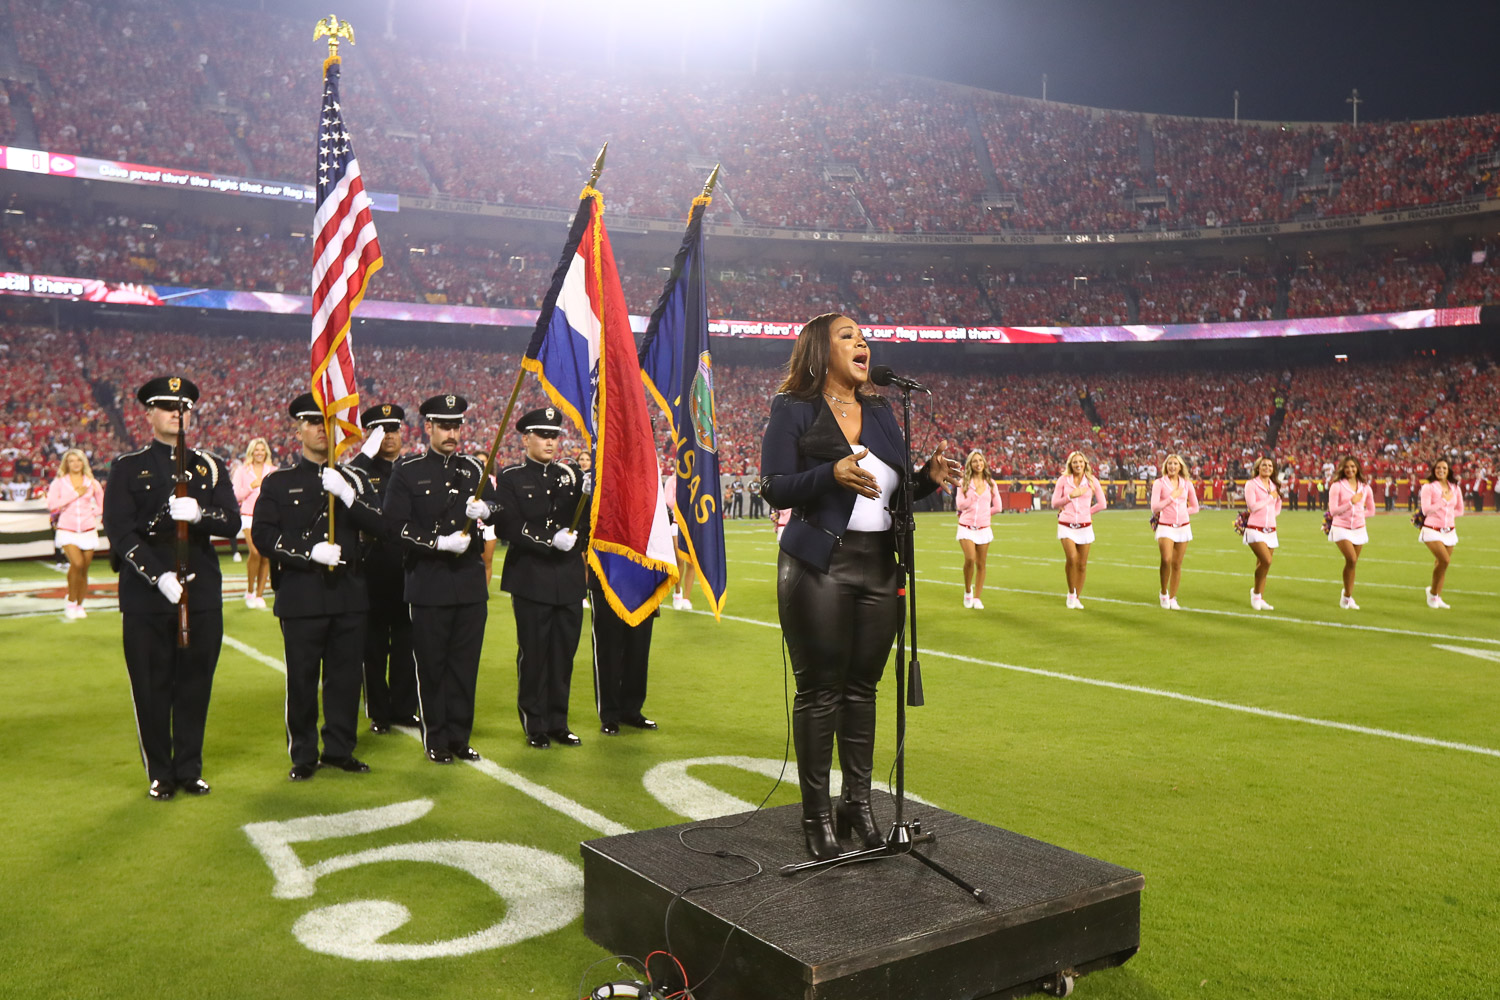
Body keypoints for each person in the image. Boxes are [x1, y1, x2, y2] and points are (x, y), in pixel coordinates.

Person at [759, 313, 958, 861]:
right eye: (847, 336)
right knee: (820, 692)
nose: (861, 342)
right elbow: (774, 486)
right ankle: (816, 817)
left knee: (862, 690)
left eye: (864, 337)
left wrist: (926, 481)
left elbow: (892, 490)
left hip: (879, 566)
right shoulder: (793, 408)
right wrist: (829, 474)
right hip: (819, 564)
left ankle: (857, 805)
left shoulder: (883, 411)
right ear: (820, 350)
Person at [102, 376, 238, 801]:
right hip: (146, 597)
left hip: (200, 594)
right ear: (150, 414)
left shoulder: (210, 465)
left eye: (183, 408)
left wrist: (200, 515)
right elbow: (119, 531)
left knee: (196, 686)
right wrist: (157, 575)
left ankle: (189, 768)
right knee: (151, 688)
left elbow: (232, 522)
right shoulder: (127, 467)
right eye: (167, 407)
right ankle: (160, 772)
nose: (177, 414)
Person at [252, 394, 386, 780]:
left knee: (346, 679)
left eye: (327, 422)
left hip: (349, 593)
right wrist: (308, 552)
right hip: (302, 595)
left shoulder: (354, 480)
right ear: (298, 430)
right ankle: (304, 754)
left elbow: (382, 526)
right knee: (302, 679)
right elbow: (263, 535)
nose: (321, 429)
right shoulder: (279, 482)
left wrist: (348, 496)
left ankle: (340, 749)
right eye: (312, 422)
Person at [382, 394, 498, 764]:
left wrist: (488, 509)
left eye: (456, 426)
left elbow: (501, 509)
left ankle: (460, 738)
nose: (452, 433)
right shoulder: (408, 470)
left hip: (469, 583)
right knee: (431, 667)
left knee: (465, 666)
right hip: (428, 583)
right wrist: (438, 542)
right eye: (444, 426)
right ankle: (436, 739)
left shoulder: (473, 469)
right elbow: (393, 526)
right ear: (428, 427)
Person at [493, 406, 591, 749]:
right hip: (531, 577)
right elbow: (507, 525)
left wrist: (588, 498)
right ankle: (534, 723)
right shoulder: (511, 477)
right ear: (526, 439)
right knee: (534, 654)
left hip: (568, 578)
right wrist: (550, 540)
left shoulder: (570, 475)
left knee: (563, 655)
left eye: (554, 436)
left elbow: (584, 523)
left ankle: (558, 722)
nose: (550, 442)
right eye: (543, 436)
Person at [349, 403, 420, 734]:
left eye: (393, 429)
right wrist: (365, 454)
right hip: (372, 569)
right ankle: (378, 711)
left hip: (408, 567)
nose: (388, 436)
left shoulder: (413, 469)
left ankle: (404, 708)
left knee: (407, 644)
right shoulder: (361, 470)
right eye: (380, 430)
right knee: (373, 646)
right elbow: (343, 486)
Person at [46, 448, 105, 620]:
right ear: (67, 464)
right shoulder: (59, 483)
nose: (75, 464)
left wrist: (93, 513)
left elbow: (102, 504)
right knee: (77, 564)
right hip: (67, 530)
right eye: (71, 461)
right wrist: (74, 494)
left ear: (83, 462)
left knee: (84, 569)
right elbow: (52, 505)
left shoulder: (92, 483)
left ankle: (80, 604)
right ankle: (71, 602)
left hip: (88, 530)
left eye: (78, 460)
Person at [1051, 451, 1106, 610]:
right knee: (1072, 558)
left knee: (1082, 565)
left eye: (1080, 462)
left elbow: (1102, 504)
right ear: (1070, 464)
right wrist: (1070, 496)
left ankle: (1076, 597)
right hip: (1066, 524)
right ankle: (1070, 592)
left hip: (1085, 526)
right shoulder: (1063, 480)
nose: (1078, 464)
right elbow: (1054, 503)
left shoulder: (1092, 480)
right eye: (1075, 462)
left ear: (1085, 463)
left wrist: (1087, 512)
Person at [955, 450, 1002, 609]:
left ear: (984, 463)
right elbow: (960, 504)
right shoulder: (963, 482)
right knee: (970, 558)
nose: (978, 463)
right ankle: (968, 590)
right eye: (975, 461)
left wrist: (984, 514)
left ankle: (977, 597)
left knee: (981, 564)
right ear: (970, 464)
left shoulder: (991, 483)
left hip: (983, 528)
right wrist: (975, 494)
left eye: (980, 461)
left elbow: (998, 507)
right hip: (966, 527)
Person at [1151, 453, 1198, 610]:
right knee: (1166, 559)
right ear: (1166, 466)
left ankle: (1172, 597)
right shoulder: (1159, 483)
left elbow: (1195, 507)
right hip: (1165, 526)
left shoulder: (1187, 484)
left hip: (1183, 527)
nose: (1172, 466)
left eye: (1175, 464)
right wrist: (1171, 498)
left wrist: (1182, 513)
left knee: (1177, 564)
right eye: (1170, 463)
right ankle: (1163, 592)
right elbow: (1154, 507)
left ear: (1180, 467)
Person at [1327, 455, 1374, 610]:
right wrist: (1350, 503)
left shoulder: (1365, 488)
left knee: (1352, 564)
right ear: (1342, 469)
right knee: (1351, 559)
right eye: (1346, 467)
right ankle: (1347, 596)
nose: (1350, 469)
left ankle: (1347, 597)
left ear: (1358, 468)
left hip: (1359, 528)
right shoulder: (1337, 486)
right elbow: (1333, 511)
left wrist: (1359, 515)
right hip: (1341, 527)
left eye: (1353, 466)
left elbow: (1371, 510)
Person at [232, 437, 274, 609]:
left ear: (266, 452)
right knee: (255, 552)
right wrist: (251, 486)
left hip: (268, 517)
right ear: (251, 452)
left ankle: (259, 595)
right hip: (248, 516)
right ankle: (250, 591)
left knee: (266, 555)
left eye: (262, 450)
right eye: (256, 450)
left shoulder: (273, 471)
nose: (259, 453)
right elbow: (236, 495)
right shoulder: (242, 471)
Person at [1418, 458, 1463, 609]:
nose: (1441, 470)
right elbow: (1426, 510)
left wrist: (1448, 516)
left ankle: (1436, 596)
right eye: (1438, 468)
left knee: (1441, 565)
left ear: (1449, 470)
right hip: (1432, 529)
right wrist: (1443, 501)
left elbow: (1460, 510)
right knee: (1445, 560)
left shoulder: (1455, 488)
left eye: (1444, 468)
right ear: (1434, 470)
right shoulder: (1428, 487)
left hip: (1449, 531)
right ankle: (1432, 593)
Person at [1243, 456, 1282, 611]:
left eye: (1270, 466)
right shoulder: (1251, 484)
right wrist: (1269, 497)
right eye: (1264, 465)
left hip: (1271, 530)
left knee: (1263, 566)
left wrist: (1272, 514)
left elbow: (1278, 504)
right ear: (1258, 468)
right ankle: (1255, 593)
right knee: (1266, 561)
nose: (1267, 468)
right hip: (1255, 529)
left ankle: (1259, 597)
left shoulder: (1274, 485)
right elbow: (1252, 506)